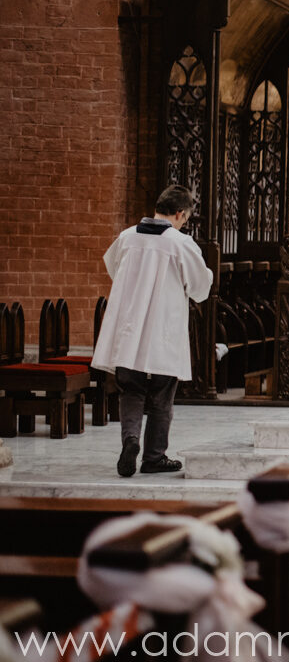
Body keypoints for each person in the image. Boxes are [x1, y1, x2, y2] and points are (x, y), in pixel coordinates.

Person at [93, 185, 213, 477]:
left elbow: (113, 268)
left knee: (130, 389)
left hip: (129, 327)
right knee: (161, 394)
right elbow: (200, 288)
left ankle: (130, 440)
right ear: (180, 214)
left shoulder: (127, 236)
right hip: (163, 329)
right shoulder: (180, 243)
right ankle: (154, 457)